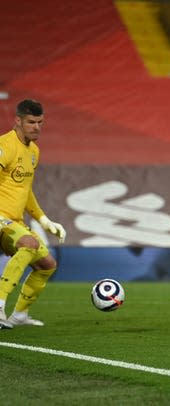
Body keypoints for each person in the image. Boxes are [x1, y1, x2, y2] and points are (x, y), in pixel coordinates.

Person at [0, 99, 66, 329]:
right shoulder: (5, 146)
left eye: (40, 122)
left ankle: (19, 315)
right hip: (0, 218)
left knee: (47, 264)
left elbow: (25, 191)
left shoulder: (34, 152)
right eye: (31, 122)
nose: (36, 127)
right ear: (17, 120)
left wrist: (44, 220)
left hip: (14, 221)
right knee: (28, 243)